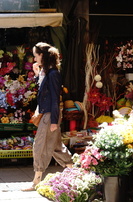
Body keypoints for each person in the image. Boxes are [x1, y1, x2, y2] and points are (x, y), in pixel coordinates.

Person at [22, 42, 72, 191]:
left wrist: (54, 121)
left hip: (50, 114)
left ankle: (37, 180)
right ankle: (75, 170)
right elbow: (45, 91)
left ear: (42, 55)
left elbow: (56, 97)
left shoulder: (53, 73)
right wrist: (38, 75)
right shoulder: (46, 72)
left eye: (36, 55)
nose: (34, 58)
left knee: (40, 146)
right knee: (56, 146)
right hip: (48, 113)